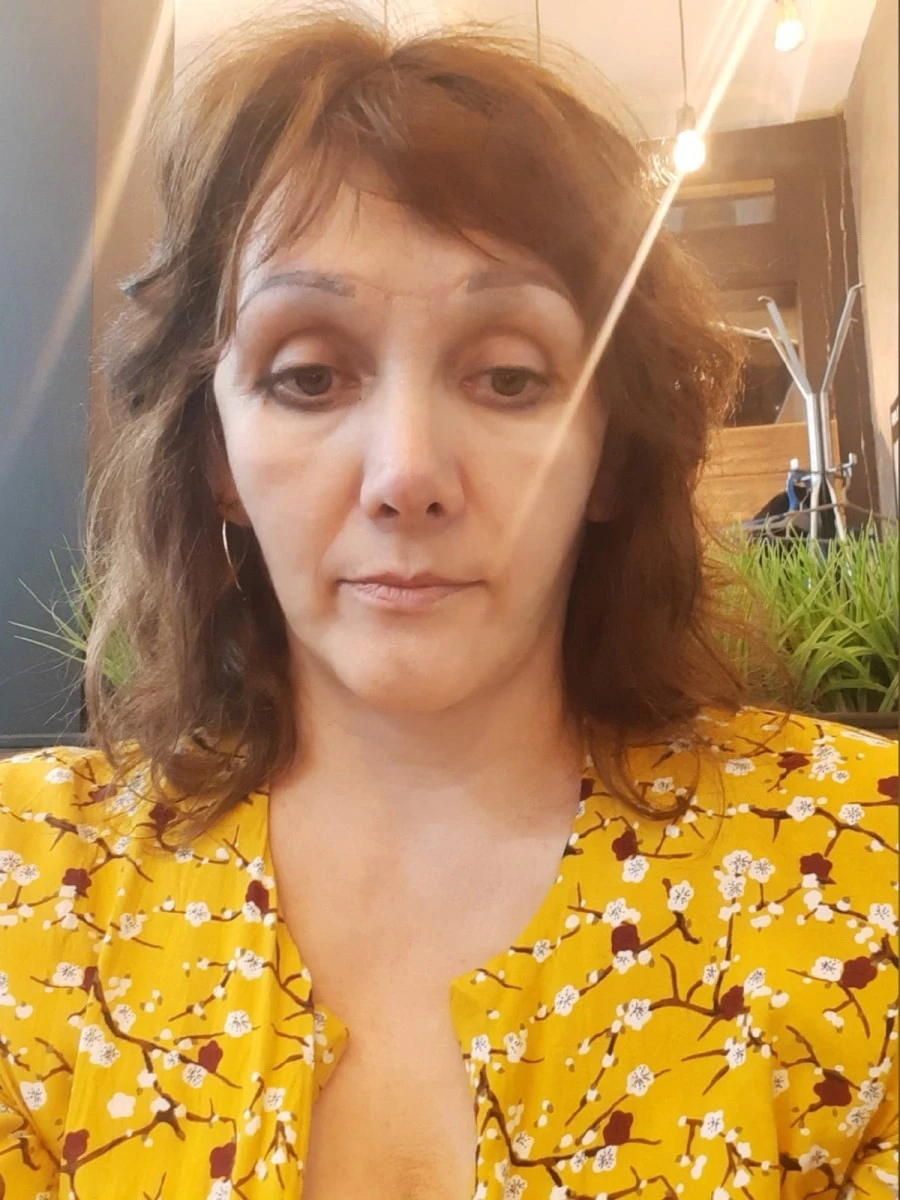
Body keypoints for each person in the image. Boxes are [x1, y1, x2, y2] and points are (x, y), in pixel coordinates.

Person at [0, 11, 896, 1200]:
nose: (407, 474)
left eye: (509, 376)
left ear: (612, 451)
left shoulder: (859, 869)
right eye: (308, 376)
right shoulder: (31, 892)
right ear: (217, 457)